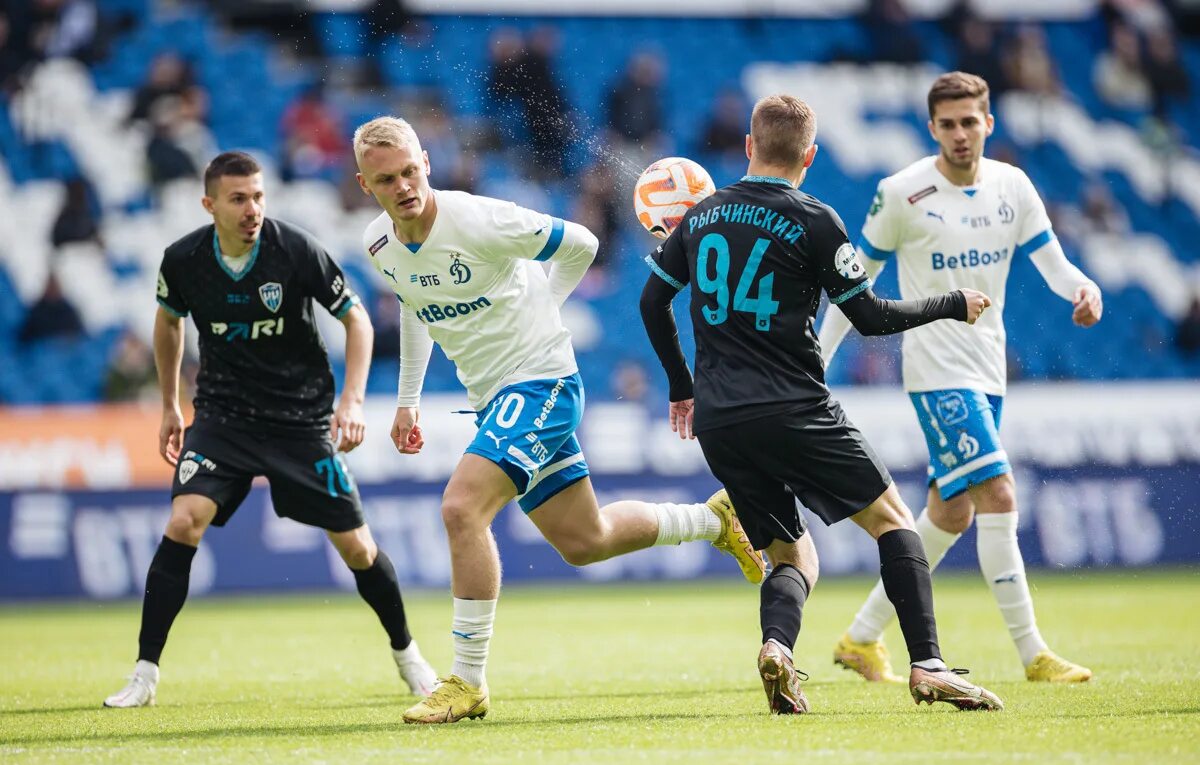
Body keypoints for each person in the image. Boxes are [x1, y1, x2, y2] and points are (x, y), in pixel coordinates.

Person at [353, 116, 762, 725]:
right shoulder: (379, 245)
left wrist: (547, 300)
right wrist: (407, 398)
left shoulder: (477, 218)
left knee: (461, 508)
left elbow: (582, 242)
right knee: (584, 540)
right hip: (496, 397)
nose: (404, 186)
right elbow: (414, 305)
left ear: (427, 163)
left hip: (541, 380)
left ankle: (465, 680)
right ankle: (713, 518)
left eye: (411, 170)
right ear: (367, 185)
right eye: (387, 179)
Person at [639, 94, 1003, 714]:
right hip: (794, 407)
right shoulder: (815, 219)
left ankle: (778, 649)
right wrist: (950, 303)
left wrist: (682, 386)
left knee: (789, 553)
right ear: (809, 154)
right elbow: (869, 316)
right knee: (894, 521)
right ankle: (929, 666)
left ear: (749, 147)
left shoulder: (699, 218)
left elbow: (652, 303)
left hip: (721, 422)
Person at [103, 152, 436, 708]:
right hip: (223, 419)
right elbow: (167, 322)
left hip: (299, 420)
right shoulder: (183, 260)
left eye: (258, 196)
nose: (252, 208)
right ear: (209, 205)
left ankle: (409, 657)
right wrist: (169, 405)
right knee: (184, 520)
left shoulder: (295, 249)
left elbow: (356, 319)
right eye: (238, 199)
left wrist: (352, 400)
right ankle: (144, 674)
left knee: (356, 547)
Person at [818, 72, 1103, 685]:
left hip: (988, 367)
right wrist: (819, 355)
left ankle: (860, 639)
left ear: (988, 123)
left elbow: (1053, 266)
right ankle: (1033, 655)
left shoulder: (1013, 187)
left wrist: (1083, 288)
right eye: (947, 124)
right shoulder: (901, 193)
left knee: (950, 514)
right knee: (998, 492)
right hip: (936, 370)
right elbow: (852, 287)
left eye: (969, 121)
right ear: (932, 129)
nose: (959, 134)